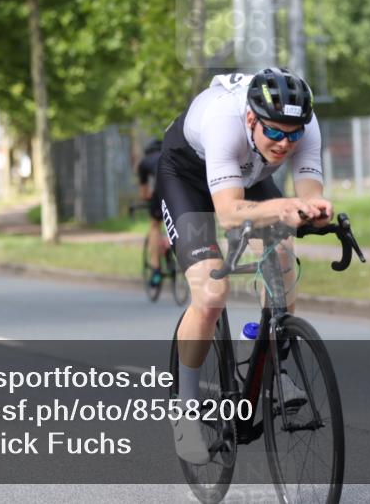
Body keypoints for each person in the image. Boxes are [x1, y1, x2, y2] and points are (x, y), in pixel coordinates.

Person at [157, 67, 331, 464]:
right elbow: (229, 213)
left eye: (293, 135)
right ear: (251, 117)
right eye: (274, 132)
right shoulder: (223, 121)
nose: (284, 143)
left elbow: (309, 192)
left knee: (282, 254)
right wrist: (283, 208)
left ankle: (268, 359)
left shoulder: (303, 124)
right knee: (211, 291)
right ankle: (185, 409)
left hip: (247, 175)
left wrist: (317, 211)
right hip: (187, 175)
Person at [137, 139, 165, 287]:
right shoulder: (170, 153)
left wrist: (148, 199)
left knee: (155, 225)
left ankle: (156, 270)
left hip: (161, 190)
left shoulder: (145, 162)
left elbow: (144, 193)